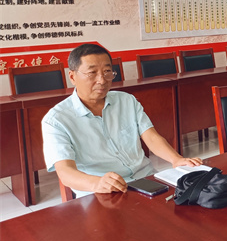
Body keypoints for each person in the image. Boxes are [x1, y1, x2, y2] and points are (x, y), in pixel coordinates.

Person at [42, 44, 202, 197]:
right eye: (92, 73)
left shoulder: (126, 100)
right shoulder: (56, 120)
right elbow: (65, 172)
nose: (102, 80)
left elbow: (151, 137)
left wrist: (176, 159)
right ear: (72, 76)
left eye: (107, 71)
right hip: (101, 192)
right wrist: (97, 183)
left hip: (147, 181)